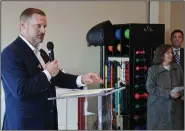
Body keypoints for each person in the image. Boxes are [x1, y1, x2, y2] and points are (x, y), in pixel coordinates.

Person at [1, 8, 103, 130]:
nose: (43, 30)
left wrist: (82, 79)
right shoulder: (10, 54)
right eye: (38, 26)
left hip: (47, 123)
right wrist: (47, 72)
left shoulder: (41, 53)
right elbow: (21, 90)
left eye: (45, 26)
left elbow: (56, 77)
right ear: (23, 26)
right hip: (24, 126)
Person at [146, 44, 184, 130]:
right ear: (161, 54)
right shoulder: (153, 70)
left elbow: (183, 85)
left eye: (171, 53)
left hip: (175, 108)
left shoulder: (178, 68)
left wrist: (180, 93)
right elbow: (150, 87)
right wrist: (169, 94)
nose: (171, 55)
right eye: (168, 53)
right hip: (157, 108)